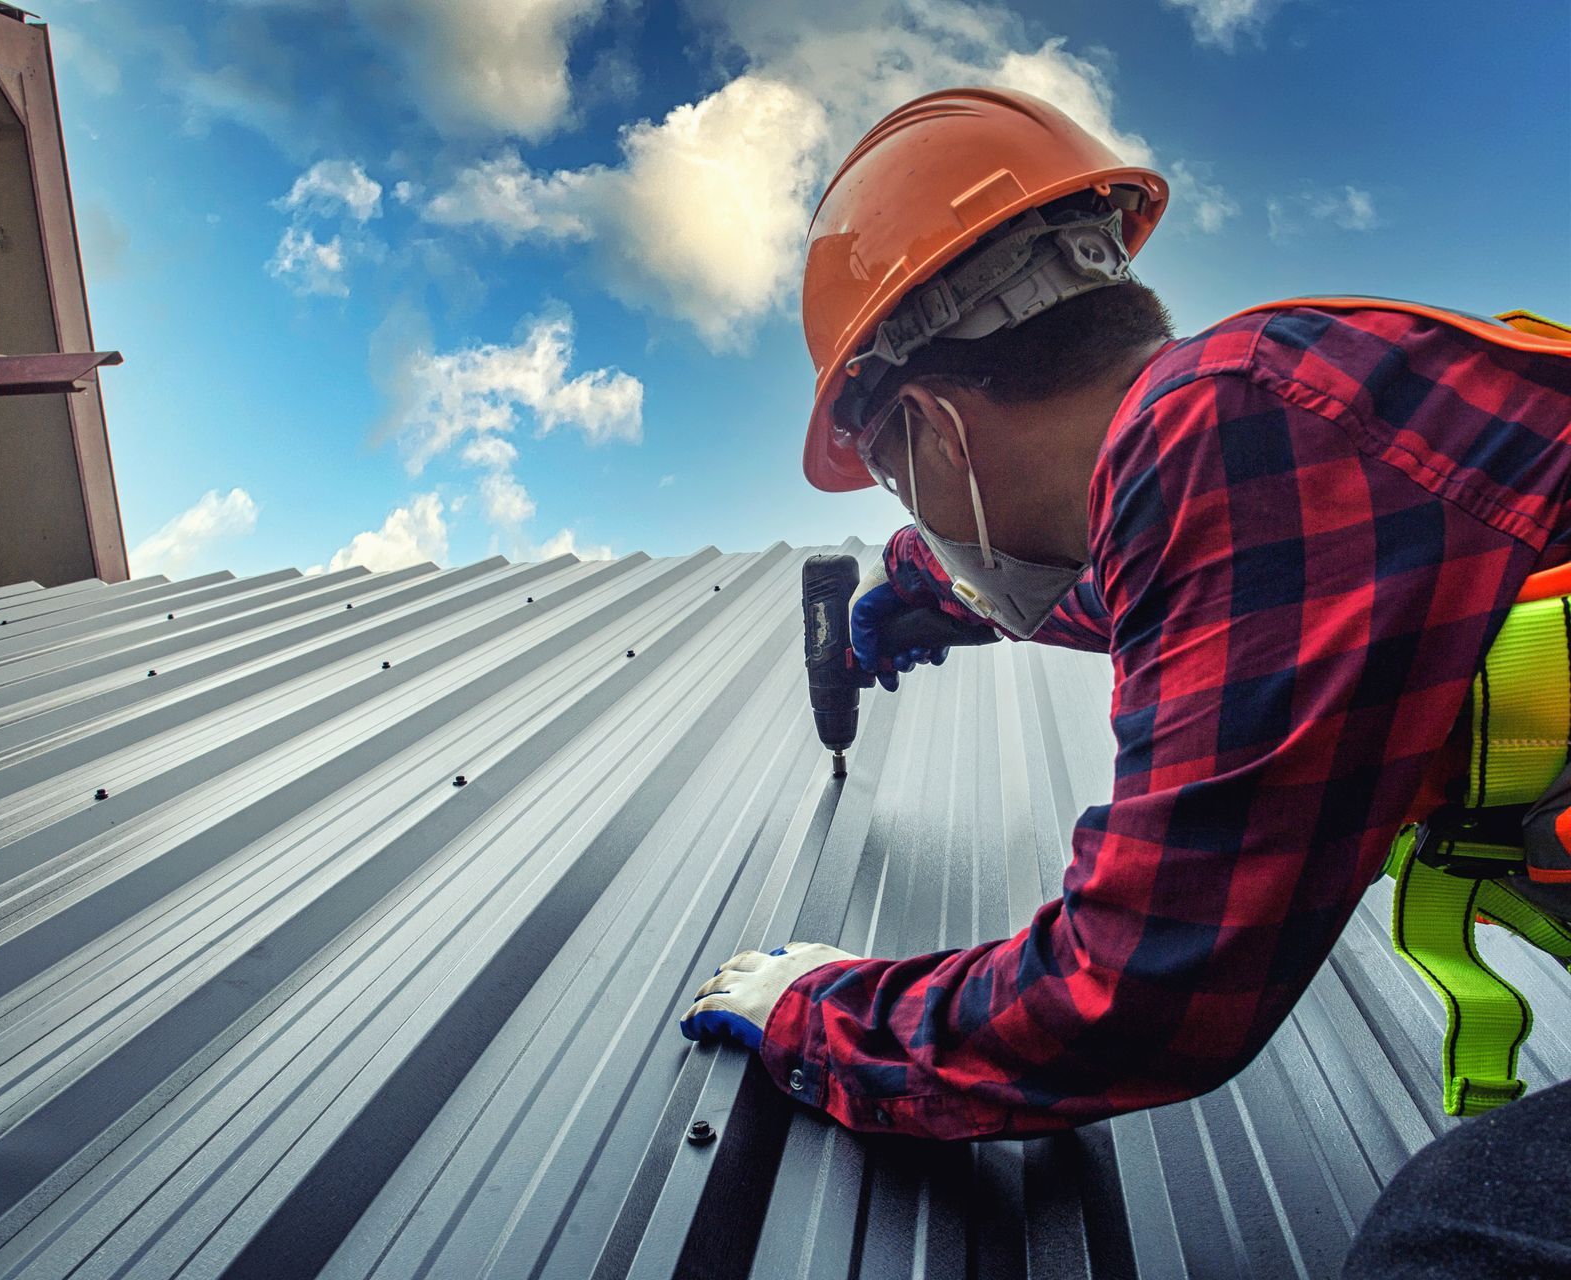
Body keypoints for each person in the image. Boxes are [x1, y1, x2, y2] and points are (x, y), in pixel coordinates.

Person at [673, 87, 1571, 1260]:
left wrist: (819, 1009)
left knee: (1457, 1243)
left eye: (894, 476)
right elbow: (1136, 597)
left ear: (934, 428)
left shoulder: (1226, 432)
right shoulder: (1278, 424)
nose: (917, 510)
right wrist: (917, 591)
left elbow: (1131, 997)